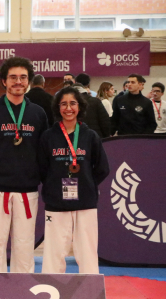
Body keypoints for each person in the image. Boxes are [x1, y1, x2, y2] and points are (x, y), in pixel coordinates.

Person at [0, 56, 48, 274]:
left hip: (27, 189)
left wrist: (33, 174)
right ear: (4, 81)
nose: (18, 82)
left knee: (24, 245)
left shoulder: (38, 114)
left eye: (23, 77)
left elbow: (44, 151)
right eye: (13, 77)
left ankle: (21, 296)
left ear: (29, 81)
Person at [38, 86, 110, 274]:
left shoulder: (90, 136)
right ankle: (51, 293)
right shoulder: (48, 136)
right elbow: (41, 168)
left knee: (87, 250)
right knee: (54, 252)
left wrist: (87, 183)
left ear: (80, 107)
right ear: (57, 108)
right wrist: (53, 185)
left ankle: (89, 294)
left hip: (85, 200)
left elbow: (102, 168)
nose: (68, 108)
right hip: (56, 201)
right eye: (63, 104)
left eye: (72, 103)